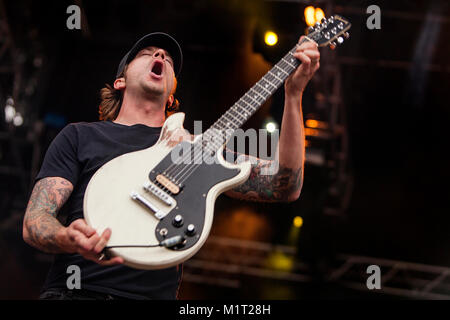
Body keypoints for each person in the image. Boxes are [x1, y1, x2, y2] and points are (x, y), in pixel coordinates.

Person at [22, 32, 320, 300]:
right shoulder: (79, 136)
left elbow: (286, 183)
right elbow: (35, 220)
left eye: (167, 58)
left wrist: (293, 96)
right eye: (147, 52)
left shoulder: (195, 149)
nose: (160, 56)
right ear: (120, 81)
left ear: (172, 93)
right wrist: (65, 237)